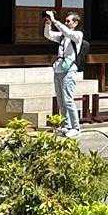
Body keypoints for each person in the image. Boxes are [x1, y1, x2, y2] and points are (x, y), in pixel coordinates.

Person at [43, 9, 86, 137]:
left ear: (75, 23)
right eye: (65, 21)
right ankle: (66, 126)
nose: (66, 23)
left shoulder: (77, 35)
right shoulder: (62, 36)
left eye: (68, 21)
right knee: (60, 100)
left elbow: (67, 32)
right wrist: (48, 23)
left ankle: (76, 127)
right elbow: (48, 35)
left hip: (69, 70)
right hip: (58, 69)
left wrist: (55, 20)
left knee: (68, 99)